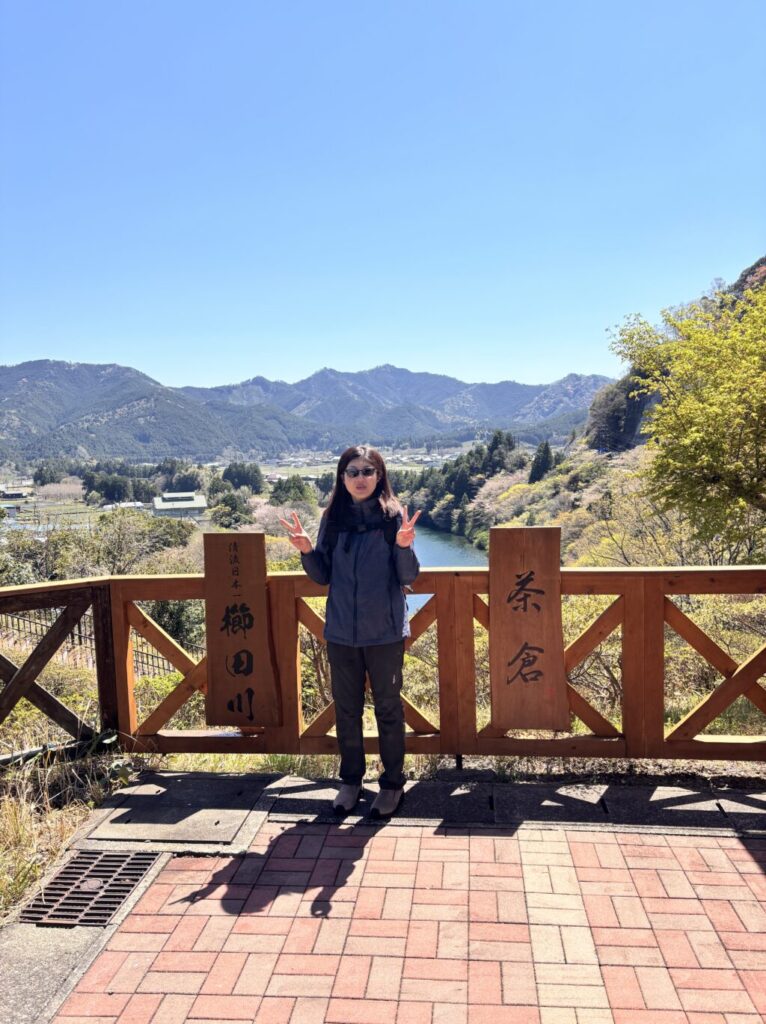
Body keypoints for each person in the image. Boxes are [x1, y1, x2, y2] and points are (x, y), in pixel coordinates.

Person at [280, 444, 420, 819]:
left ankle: (392, 784)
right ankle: (351, 781)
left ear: (380, 476)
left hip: (385, 631)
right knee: (347, 709)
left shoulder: (393, 518)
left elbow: (408, 575)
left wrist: (404, 546)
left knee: (388, 708)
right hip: (342, 630)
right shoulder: (334, 517)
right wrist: (307, 551)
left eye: (367, 471)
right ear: (342, 478)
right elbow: (324, 575)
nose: (360, 478)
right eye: (353, 472)